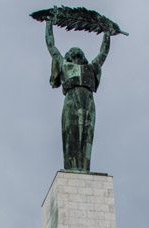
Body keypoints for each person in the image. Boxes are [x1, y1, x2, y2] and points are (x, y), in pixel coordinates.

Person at [43, 14, 111, 173]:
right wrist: (49, 25)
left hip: (88, 102)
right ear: (69, 56)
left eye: (78, 52)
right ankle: (72, 169)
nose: (75, 52)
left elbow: (103, 53)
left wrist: (107, 34)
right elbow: (51, 47)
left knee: (86, 137)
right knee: (71, 138)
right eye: (73, 52)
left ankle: (84, 169)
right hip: (71, 101)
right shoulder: (65, 65)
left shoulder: (91, 67)